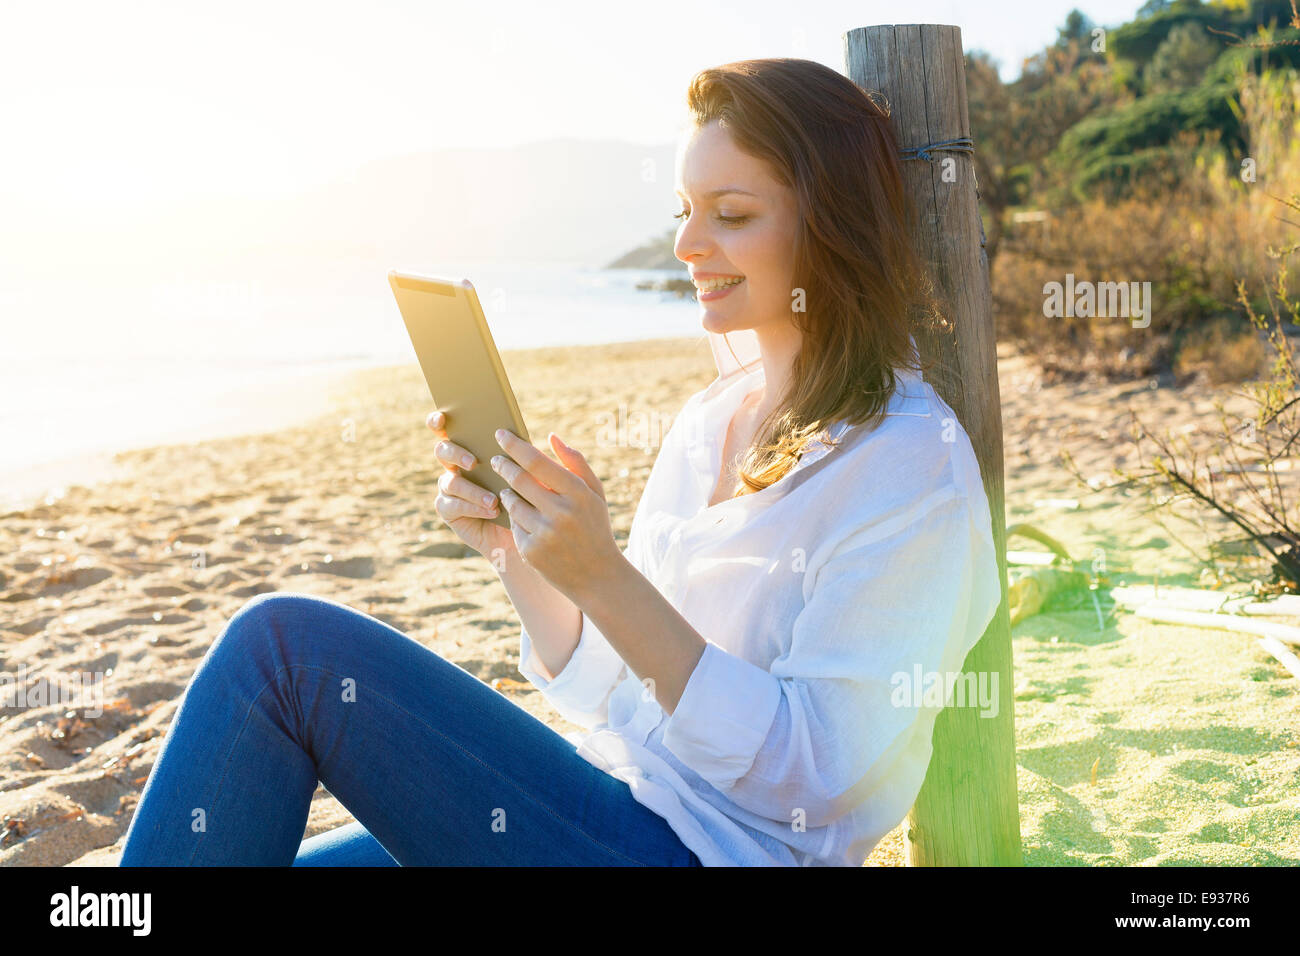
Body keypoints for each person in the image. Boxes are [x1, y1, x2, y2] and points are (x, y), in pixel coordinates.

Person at [119, 57, 1002, 867]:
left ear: (832, 226)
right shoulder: (712, 421)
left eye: (731, 215)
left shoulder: (906, 467)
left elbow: (817, 777)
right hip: (602, 806)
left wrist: (607, 577)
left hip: (699, 854)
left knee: (286, 652)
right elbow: (607, 696)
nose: (689, 245)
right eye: (684, 212)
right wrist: (527, 557)